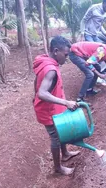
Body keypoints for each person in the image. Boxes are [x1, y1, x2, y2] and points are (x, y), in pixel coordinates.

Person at [33, 36, 80, 175]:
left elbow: (36, 83)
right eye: (65, 55)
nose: (67, 58)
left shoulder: (47, 62)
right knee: (56, 138)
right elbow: (42, 93)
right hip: (48, 111)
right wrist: (66, 102)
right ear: (55, 51)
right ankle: (58, 168)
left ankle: (65, 153)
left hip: (53, 108)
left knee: (61, 131)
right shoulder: (50, 69)